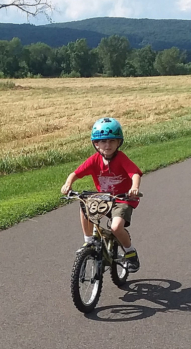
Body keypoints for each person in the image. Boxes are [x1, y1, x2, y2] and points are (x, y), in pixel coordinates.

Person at [60, 117, 142, 272]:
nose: (107, 145)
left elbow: (135, 174)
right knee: (85, 206)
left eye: (112, 141)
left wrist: (134, 187)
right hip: (104, 198)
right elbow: (75, 173)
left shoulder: (121, 158)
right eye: (103, 141)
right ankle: (88, 241)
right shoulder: (94, 160)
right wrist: (68, 184)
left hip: (122, 199)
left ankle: (130, 252)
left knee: (117, 227)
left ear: (119, 142)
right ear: (96, 144)